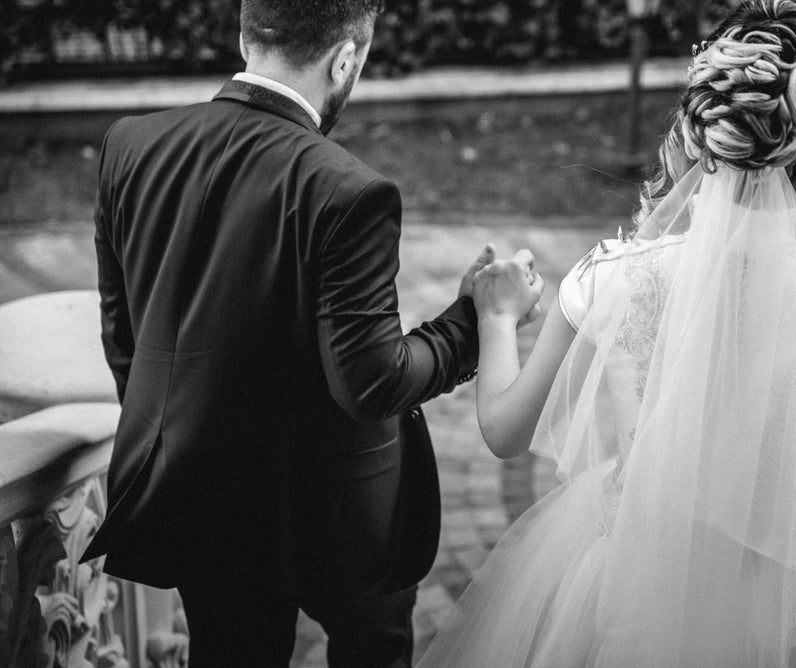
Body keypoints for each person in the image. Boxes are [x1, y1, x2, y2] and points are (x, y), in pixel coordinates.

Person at [419, 1, 796, 665]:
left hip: (633, 576)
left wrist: (494, 314)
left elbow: (504, 431)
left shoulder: (610, 277)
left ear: (696, 137)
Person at [81, 1, 542, 666]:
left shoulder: (130, 145)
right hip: (340, 513)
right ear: (346, 58)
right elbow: (373, 381)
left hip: (202, 497)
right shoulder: (349, 192)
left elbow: (123, 337)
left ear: (246, 35)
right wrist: (474, 318)